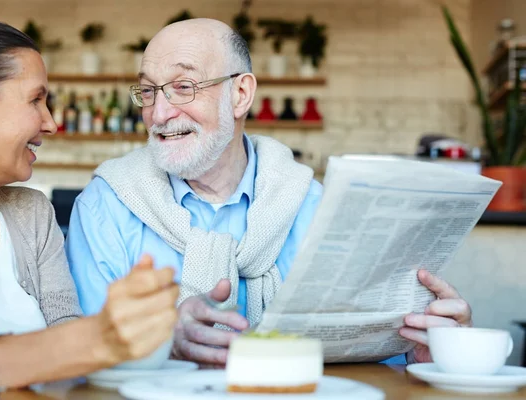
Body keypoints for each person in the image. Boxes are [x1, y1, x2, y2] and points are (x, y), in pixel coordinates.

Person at [66, 18, 472, 367]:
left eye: (184, 86)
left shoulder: (317, 209)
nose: (159, 113)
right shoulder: (106, 206)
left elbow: (371, 353)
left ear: (240, 94)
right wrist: (161, 342)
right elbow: (76, 353)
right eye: (149, 91)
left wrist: (426, 349)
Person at [0, 18, 178, 400]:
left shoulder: (32, 216)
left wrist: (138, 329)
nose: (50, 123)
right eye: (35, 100)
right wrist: (91, 340)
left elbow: (70, 353)